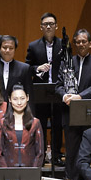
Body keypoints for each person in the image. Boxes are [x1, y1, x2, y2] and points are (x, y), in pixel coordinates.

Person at [55, 29, 91, 180]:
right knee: (71, 153)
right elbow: (58, 86)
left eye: (84, 41)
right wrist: (65, 96)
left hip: (89, 115)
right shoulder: (66, 62)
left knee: (90, 151)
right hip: (69, 113)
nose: (81, 44)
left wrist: (80, 96)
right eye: (78, 42)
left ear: (90, 43)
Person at [25, 12, 63, 164]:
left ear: (56, 26)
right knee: (39, 123)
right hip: (40, 91)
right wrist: (37, 68)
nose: (48, 26)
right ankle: (39, 155)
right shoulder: (33, 46)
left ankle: (56, 155)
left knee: (57, 124)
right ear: (41, 27)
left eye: (51, 24)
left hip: (58, 90)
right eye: (45, 24)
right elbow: (27, 67)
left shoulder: (63, 44)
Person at [0, 84, 44, 167]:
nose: (19, 103)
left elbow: (40, 153)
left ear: (27, 98)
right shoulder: (3, 123)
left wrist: (34, 172)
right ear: (9, 99)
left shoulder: (35, 122)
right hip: (9, 173)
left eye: (22, 98)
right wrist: (6, 172)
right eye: (15, 99)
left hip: (30, 172)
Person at [0, 35, 33, 103]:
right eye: (4, 47)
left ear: (15, 49)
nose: (7, 51)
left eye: (11, 48)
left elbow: (29, 93)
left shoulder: (24, 68)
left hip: (17, 108)